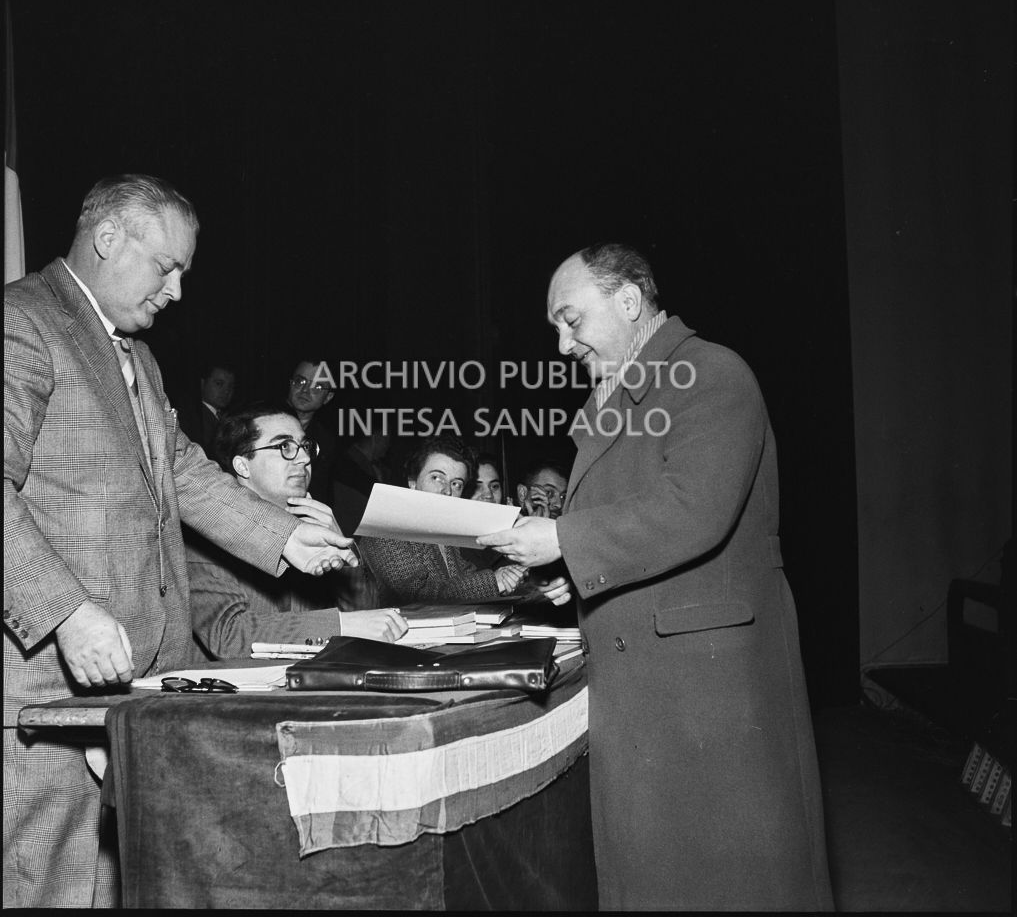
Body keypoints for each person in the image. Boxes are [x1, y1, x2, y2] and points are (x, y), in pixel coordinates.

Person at [3, 174, 354, 908]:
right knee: (47, 890)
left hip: (128, 694)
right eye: (168, 267)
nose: (177, 292)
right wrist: (67, 612)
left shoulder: (135, 354)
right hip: (44, 693)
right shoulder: (23, 324)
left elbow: (184, 474)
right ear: (108, 239)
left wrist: (288, 539)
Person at [478, 243, 833, 910]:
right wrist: (571, 571)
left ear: (628, 300)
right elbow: (618, 522)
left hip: (706, 686)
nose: (560, 345)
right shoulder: (616, 398)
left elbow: (693, 510)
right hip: (649, 680)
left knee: (732, 881)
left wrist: (560, 538)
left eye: (570, 320)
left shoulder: (710, 372)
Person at [188, 403, 406, 658]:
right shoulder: (206, 534)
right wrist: (339, 626)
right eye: (284, 447)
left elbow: (367, 617)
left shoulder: (312, 525)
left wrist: (344, 551)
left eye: (304, 447)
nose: (303, 459)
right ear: (242, 466)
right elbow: (229, 635)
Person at [358, 436, 547, 604]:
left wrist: (510, 574)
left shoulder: (441, 531)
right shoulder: (384, 528)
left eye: (456, 484)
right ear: (413, 482)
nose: (447, 491)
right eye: (437, 478)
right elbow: (414, 597)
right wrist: (494, 581)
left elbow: (466, 579)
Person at [286, 357, 338, 504]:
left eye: (318, 387)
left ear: (328, 397)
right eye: (300, 381)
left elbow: (321, 494)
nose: (305, 390)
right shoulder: (260, 421)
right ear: (290, 384)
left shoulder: (325, 441)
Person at [177, 357, 236, 454]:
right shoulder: (191, 418)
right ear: (203, 383)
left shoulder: (225, 418)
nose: (226, 391)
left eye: (230, 386)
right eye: (219, 383)